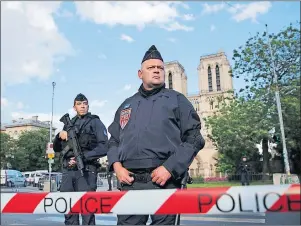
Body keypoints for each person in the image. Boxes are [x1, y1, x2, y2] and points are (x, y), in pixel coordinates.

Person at [107, 45, 205, 225]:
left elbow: (194, 138)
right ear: (140, 74)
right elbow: (113, 140)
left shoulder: (177, 100)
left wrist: (170, 168)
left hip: (165, 181)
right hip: (130, 182)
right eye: (151, 68)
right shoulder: (126, 105)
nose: (157, 71)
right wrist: (117, 167)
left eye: (160, 68)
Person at [53, 93, 109, 225]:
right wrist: (58, 136)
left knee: (87, 211)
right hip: (69, 170)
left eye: (85, 104)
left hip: (87, 170)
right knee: (69, 210)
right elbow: (57, 149)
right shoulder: (69, 123)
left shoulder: (95, 122)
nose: (82, 106)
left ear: (88, 106)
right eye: (79, 104)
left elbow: (104, 146)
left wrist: (84, 157)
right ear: (74, 107)